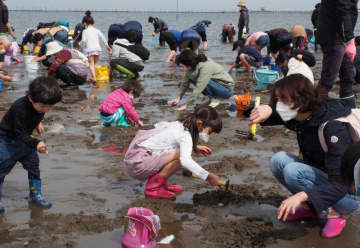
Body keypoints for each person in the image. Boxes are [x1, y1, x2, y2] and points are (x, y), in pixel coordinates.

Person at [248, 74, 356, 238]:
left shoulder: (332, 127)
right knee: (278, 160)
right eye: (276, 100)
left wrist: (302, 195)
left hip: (348, 194)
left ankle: (336, 214)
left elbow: (340, 184)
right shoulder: (302, 115)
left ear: (301, 99)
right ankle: (312, 208)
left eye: (281, 100)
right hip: (325, 177)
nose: (279, 105)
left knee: (293, 171)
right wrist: (263, 108)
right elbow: (275, 115)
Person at [124, 105, 222, 200]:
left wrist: (195, 147)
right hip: (138, 164)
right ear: (200, 123)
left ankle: (160, 182)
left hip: (135, 158)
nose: (209, 134)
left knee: (179, 152)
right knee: (180, 156)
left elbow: (165, 141)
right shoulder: (185, 135)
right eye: (209, 131)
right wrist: (208, 176)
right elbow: (186, 161)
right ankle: (153, 187)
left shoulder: (179, 124)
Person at [0, 76, 63, 211]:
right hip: (7, 141)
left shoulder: (40, 105)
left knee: (34, 167)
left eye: (50, 106)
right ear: (30, 98)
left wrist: (37, 123)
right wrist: (37, 143)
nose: (46, 109)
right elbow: (19, 133)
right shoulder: (19, 108)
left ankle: (35, 195)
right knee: (2, 169)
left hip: (26, 142)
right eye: (43, 106)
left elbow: (36, 114)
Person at [317, 0, 358, 108]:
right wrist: (350, 40)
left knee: (348, 76)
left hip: (341, 36)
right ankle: (313, 115)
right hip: (333, 37)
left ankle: (350, 112)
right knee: (328, 80)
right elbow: (342, 8)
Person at [168, 50, 234, 110]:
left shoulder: (205, 66)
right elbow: (185, 83)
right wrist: (178, 98)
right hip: (215, 86)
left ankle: (215, 98)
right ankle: (212, 98)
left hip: (226, 89)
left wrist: (187, 105)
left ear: (189, 63)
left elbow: (199, 86)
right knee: (192, 77)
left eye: (184, 65)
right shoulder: (192, 66)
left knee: (200, 80)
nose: (183, 68)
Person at [81, 11, 111, 85]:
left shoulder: (85, 31)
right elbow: (103, 38)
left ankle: (94, 78)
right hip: (98, 49)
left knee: (91, 64)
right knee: (94, 64)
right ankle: (93, 76)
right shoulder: (97, 30)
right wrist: (107, 46)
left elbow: (84, 41)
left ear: (85, 23)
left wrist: (81, 46)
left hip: (90, 49)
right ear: (93, 23)